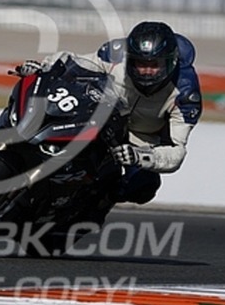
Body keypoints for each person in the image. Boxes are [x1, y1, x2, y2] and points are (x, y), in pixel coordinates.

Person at [15, 21, 202, 215]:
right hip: (99, 117)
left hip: (139, 140)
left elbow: (176, 151)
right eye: (140, 63)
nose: (146, 71)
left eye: (154, 65)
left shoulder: (186, 93)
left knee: (143, 186)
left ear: (171, 62)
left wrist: (140, 156)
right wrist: (43, 68)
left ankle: (96, 207)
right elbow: (75, 62)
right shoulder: (116, 55)